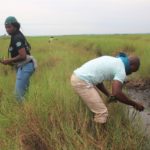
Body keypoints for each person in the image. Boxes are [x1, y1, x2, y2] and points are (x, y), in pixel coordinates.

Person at [71, 52, 144, 124]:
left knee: (99, 103)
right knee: (102, 113)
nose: (130, 73)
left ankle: (92, 124)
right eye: (133, 71)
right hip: (82, 82)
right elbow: (117, 93)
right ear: (132, 66)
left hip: (78, 77)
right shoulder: (121, 69)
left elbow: (98, 81)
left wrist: (108, 94)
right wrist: (135, 104)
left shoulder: (113, 60)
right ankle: (98, 134)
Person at [0, 16, 37, 101]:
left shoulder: (17, 37)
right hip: (24, 66)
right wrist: (6, 61)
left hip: (25, 66)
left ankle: (27, 113)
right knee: (24, 94)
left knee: (18, 96)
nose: (7, 29)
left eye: (9, 27)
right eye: (6, 27)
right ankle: (28, 110)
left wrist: (9, 60)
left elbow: (23, 56)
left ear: (15, 26)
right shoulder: (16, 36)